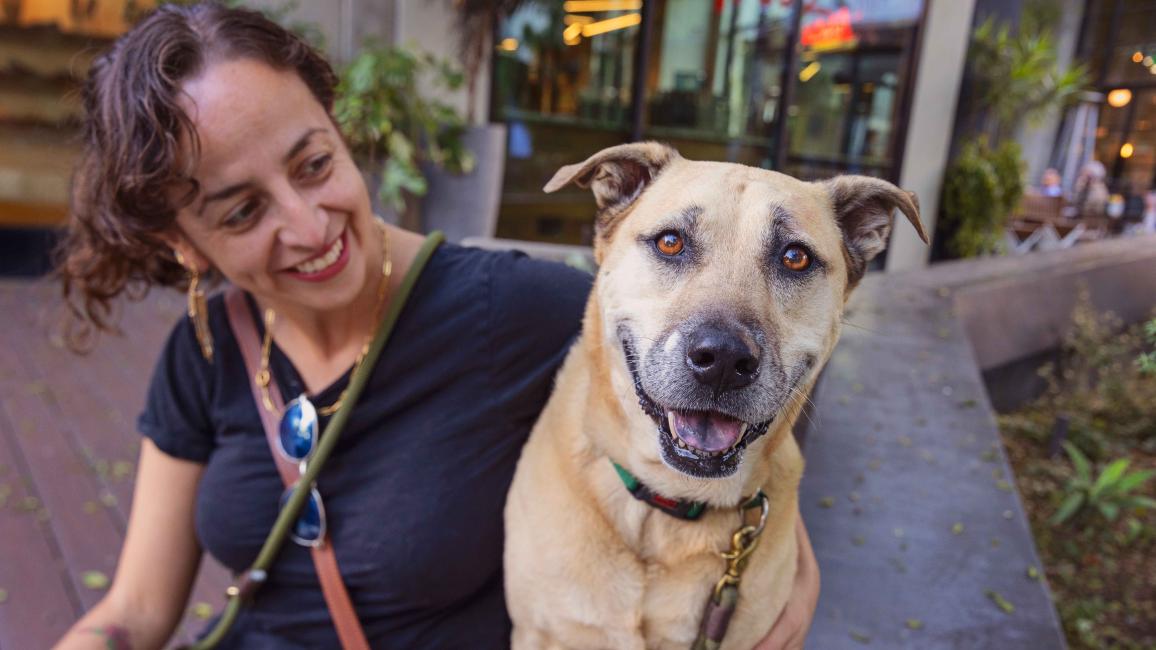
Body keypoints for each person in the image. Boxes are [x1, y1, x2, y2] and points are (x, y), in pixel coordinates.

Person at [52, 3, 819, 649]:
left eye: (313, 164)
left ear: (338, 129)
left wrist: (780, 537)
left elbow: (719, 381)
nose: (307, 223)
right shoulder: (205, 349)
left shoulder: (516, 312)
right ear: (184, 244)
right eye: (243, 210)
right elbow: (135, 614)